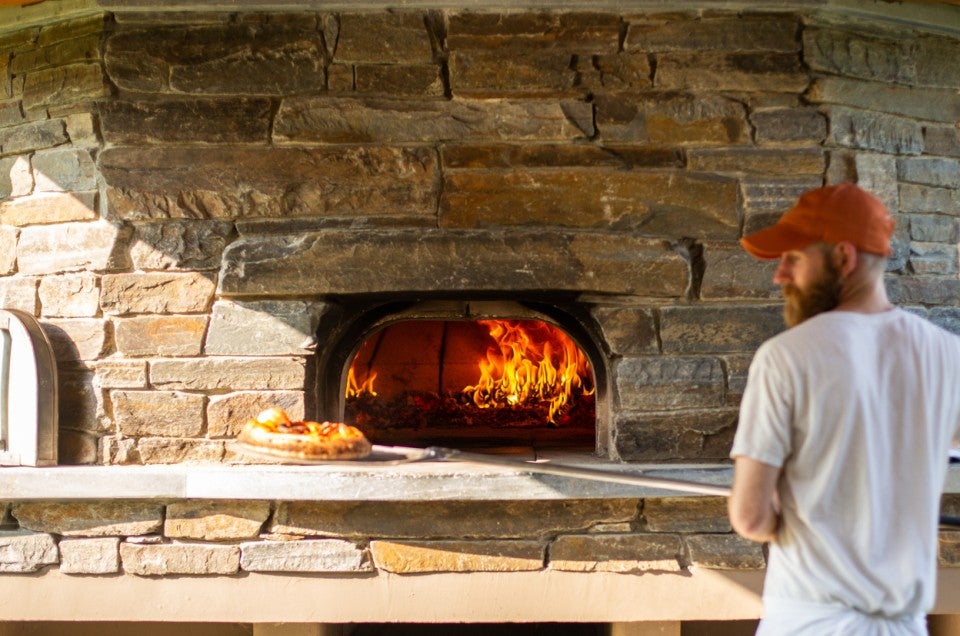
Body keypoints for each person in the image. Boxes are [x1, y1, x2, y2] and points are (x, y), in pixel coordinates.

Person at [727, 183, 960, 635]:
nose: (780, 275)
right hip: (904, 625)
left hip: (810, 621)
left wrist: (784, 511)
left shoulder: (785, 357)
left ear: (843, 258)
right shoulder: (948, 357)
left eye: (793, 258)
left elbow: (750, 517)